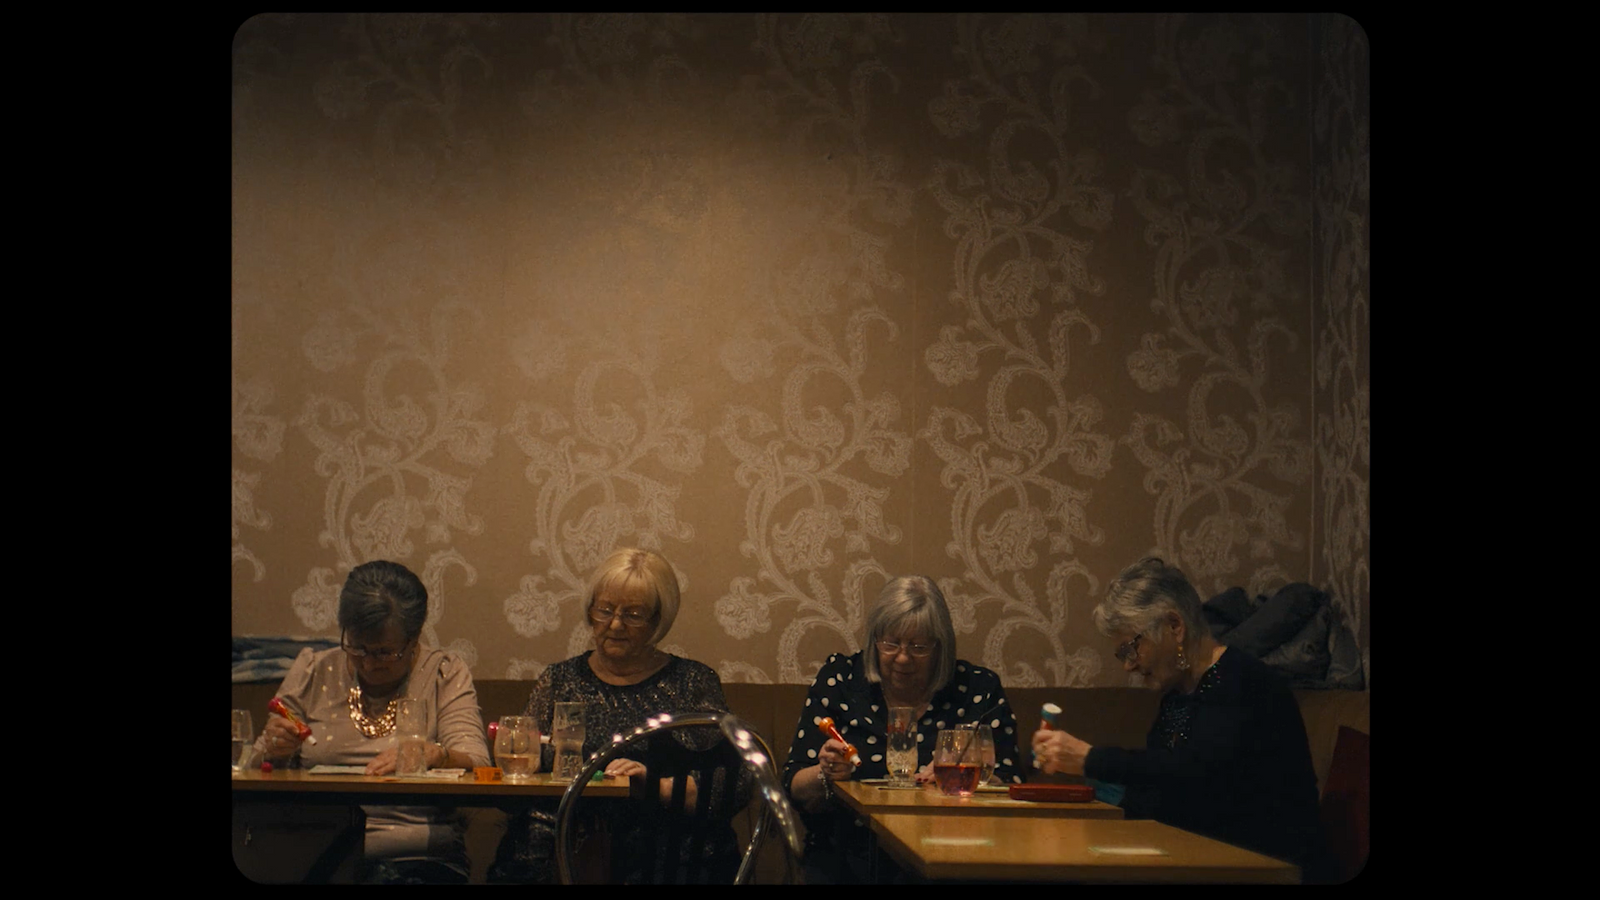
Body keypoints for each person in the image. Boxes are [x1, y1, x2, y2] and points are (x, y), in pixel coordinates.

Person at [1032, 557, 1330, 881]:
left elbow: (1192, 774)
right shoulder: (1180, 695)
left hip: (1268, 867)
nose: (1128, 666)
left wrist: (1090, 759)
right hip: (1204, 859)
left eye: (1131, 649)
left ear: (1175, 626)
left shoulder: (1242, 682)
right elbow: (1161, 790)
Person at [488, 548, 745, 884]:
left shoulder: (692, 683)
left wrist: (656, 786)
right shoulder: (560, 680)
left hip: (667, 861)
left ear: (658, 620)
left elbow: (736, 782)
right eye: (604, 610)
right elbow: (518, 772)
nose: (615, 624)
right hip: (555, 855)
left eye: (634, 614)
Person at [256, 559, 492, 884]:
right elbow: (255, 765)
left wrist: (436, 754)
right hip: (318, 851)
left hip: (417, 857)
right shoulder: (314, 669)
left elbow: (479, 763)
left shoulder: (443, 673)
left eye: (383, 652)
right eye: (356, 647)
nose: (367, 664)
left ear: (414, 639)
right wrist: (275, 749)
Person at [783, 575, 1021, 883]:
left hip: (953, 858)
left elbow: (1012, 783)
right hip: (847, 857)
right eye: (891, 643)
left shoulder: (978, 689)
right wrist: (824, 771)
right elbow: (792, 783)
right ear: (874, 640)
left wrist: (966, 777)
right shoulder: (840, 680)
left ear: (940, 647)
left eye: (919, 646)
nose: (903, 657)